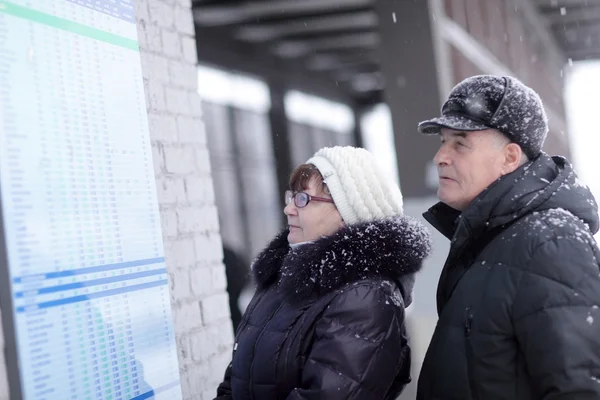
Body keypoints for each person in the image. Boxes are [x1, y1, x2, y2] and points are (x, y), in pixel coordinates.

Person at [415, 74, 600, 399]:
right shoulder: (487, 239)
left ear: (510, 158)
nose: (440, 156)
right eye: (443, 141)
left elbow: (580, 387)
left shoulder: (550, 241)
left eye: (460, 143)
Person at [215, 146, 432, 399]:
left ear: (346, 211)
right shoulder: (282, 279)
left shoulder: (365, 298)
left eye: (303, 199)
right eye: (292, 196)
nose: (289, 209)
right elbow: (238, 378)